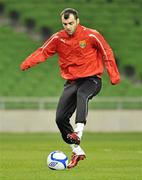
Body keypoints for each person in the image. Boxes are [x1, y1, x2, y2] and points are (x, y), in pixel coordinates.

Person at [20, 8, 120, 169]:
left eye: (71, 23)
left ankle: (78, 132)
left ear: (77, 21)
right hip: (71, 82)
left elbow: (106, 51)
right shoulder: (58, 38)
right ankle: (77, 150)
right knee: (60, 119)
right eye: (65, 23)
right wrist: (27, 62)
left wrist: (113, 75)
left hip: (91, 79)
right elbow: (43, 52)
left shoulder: (91, 35)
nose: (68, 26)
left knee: (83, 94)